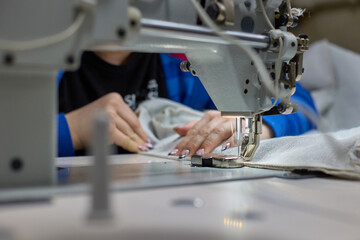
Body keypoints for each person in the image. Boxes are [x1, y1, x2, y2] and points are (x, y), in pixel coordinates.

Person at [57, 51, 317, 157]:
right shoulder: (35, 65)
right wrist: (68, 131)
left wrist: (253, 123)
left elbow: (299, 100)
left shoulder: (182, 66)